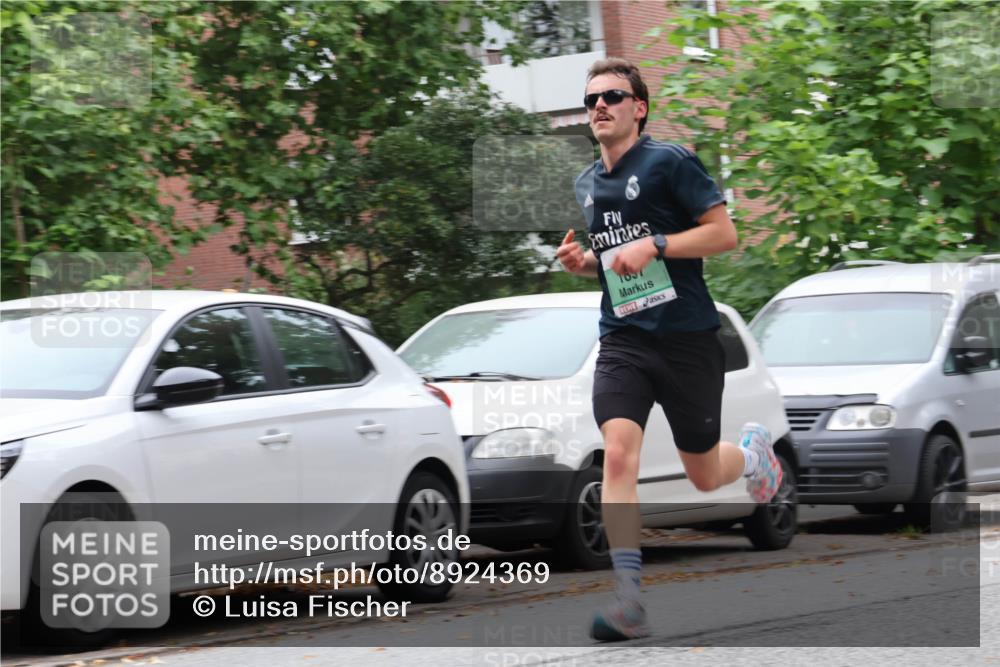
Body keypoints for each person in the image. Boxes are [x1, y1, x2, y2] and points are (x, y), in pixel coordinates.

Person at [556, 57, 783, 642]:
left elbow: (724, 233)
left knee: (704, 474)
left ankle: (755, 455)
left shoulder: (670, 162)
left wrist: (656, 244)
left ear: (640, 107)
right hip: (624, 339)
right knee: (620, 455)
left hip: (686, 339)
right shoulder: (587, 183)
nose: (599, 106)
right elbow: (616, 267)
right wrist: (588, 265)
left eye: (611, 96)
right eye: (590, 100)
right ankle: (629, 600)